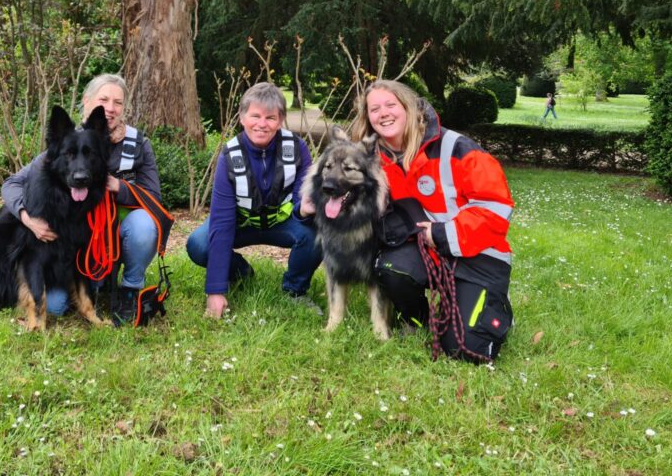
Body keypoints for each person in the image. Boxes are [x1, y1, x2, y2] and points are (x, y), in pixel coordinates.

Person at [351, 80, 514, 362]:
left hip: (477, 254)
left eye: (391, 105)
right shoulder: (371, 158)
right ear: (368, 118)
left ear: (410, 108)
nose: (383, 113)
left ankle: (494, 306)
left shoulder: (457, 147)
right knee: (391, 268)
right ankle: (418, 318)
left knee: (466, 350)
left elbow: (496, 207)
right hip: (424, 253)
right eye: (374, 109)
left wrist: (442, 233)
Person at [1, 74, 171, 325]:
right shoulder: (68, 142)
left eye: (118, 102)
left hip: (121, 238)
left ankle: (130, 289)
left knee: (144, 225)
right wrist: (28, 219)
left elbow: (154, 199)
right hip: (84, 244)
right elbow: (12, 183)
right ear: (87, 101)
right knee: (57, 307)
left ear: (125, 108)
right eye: (103, 100)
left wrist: (118, 186)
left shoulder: (138, 144)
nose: (110, 108)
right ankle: (91, 287)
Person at [186, 82, 323, 318]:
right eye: (255, 116)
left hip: (283, 223)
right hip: (242, 223)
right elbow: (221, 221)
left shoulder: (297, 148)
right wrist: (215, 290)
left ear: (280, 120)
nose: (262, 124)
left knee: (318, 235)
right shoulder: (229, 155)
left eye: (270, 117)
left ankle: (295, 291)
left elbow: (303, 200)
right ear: (242, 117)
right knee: (199, 245)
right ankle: (240, 273)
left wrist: (306, 210)